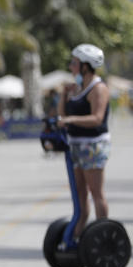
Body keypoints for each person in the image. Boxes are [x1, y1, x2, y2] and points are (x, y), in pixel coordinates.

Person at [57, 43, 111, 236]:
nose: (71, 67)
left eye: (74, 63)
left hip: (93, 146)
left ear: (85, 66)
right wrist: (64, 96)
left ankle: (103, 234)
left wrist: (72, 119)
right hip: (76, 145)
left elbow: (97, 118)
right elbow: (62, 117)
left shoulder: (98, 88)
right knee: (80, 195)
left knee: (96, 193)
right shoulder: (77, 88)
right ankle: (79, 235)